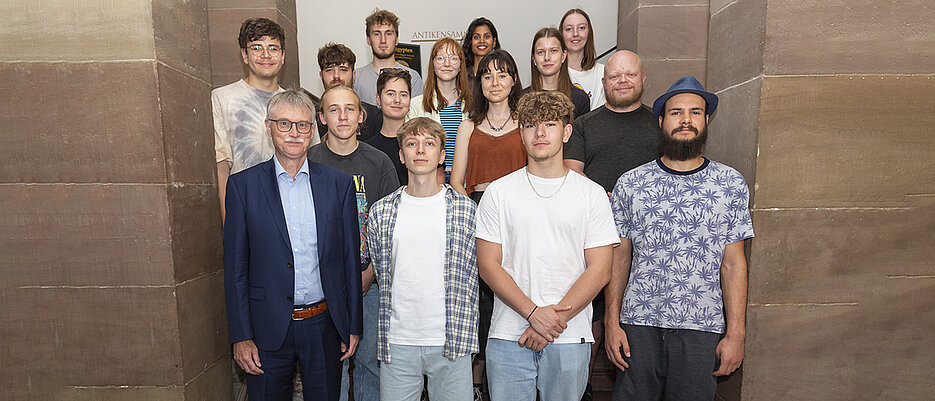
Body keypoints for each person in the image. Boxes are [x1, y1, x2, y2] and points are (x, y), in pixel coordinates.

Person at [606, 76, 754, 401]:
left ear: (705, 120)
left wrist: (737, 332)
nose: (686, 120)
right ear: (661, 121)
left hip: (702, 326)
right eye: (676, 113)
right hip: (638, 323)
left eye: (695, 112)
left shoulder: (729, 184)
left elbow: (733, 263)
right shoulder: (632, 184)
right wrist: (611, 322)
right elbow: (619, 256)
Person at [475, 91, 619, 401]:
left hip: (569, 337)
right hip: (508, 336)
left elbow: (601, 269)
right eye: (531, 125)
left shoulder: (591, 194)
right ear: (521, 133)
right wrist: (532, 313)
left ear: (566, 132)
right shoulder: (499, 193)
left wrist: (550, 322)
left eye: (550, 124)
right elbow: (488, 264)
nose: (540, 133)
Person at [223, 89, 361, 401]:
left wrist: (352, 325)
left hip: (324, 325)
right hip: (265, 328)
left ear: (313, 130)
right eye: (284, 124)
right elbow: (235, 269)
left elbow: (349, 262)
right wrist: (241, 336)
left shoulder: (338, 185)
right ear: (269, 126)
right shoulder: (243, 187)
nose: (294, 133)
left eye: (302, 125)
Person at [562, 49, 658, 401]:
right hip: (592, 238)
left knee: (634, 326)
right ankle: (580, 389)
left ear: (642, 79)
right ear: (604, 82)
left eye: (629, 75)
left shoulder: (658, 125)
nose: (622, 81)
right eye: (615, 76)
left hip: (648, 245)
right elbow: (573, 172)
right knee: (592, 321)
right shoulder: (586, 124)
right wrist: (613, 197)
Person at [367, 117, 479, 401]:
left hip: (452, 339)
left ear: (442, 155)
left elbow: (474, 271)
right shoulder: (381, 212)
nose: (420, 150)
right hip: (398, 341)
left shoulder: (466, 211)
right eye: (411, 144)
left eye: (429, 144)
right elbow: (382, 270)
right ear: (401, 156)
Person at [310, 85, 400, 401]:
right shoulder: (309, 162)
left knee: (371, 366)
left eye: (350, 108)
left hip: (370, 283)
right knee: (331, 366)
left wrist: (372, 270)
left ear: (361, 115)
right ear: (322, 117)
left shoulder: (379, 163)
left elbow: (392, 226)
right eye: (334, 109)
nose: (343, 116)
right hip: (322, 285)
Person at [214, 18, 319, 220]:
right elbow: (222, 168)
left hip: (294, 208)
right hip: (247, 206)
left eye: (273, 48)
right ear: (244, 54)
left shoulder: (297, 103)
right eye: (256, 48)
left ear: (282, 56)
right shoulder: (223, 98)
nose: (265, 55)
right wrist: (231, 223)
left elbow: (314, 160)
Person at [408, 37, 472, 183]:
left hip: (466, 180)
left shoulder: (473, 105)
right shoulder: (416, 106)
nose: (447, 64)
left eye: (453, 58)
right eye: (441, 58)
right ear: (433, 64)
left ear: (461, 64)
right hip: (430, 180)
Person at [354, 9, 424, 107]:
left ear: (397, 40)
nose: (383, 40)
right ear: (368, 40)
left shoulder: (413, 78)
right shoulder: (356, 78)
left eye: (388, 33)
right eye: (377, 34)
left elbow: (416, 119)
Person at [317, 42, 383, 142]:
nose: (336, 76)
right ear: (321, 75)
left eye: (343, 70)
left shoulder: (374, 116)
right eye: (330, 70)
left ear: (353, 75)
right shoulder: (311, 116)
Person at [524, 27, 590, 121]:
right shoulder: (522, 98)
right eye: (540, 52)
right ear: (534, 59)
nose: (547, 58)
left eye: (553, 51)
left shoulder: (580, 99)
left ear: (563, 56)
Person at [367, 68, 412, 186]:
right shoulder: (367, 149)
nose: (397, 100)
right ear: (378, 98)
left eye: (403, 95)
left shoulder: (422, 143)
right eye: (390, 94)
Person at [561, 9, 606, 110]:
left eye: (581, 28)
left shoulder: (603, 72)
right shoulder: (554, 73)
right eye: (569, 29)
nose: (575, 33)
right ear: (561, 34)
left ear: (589, 32)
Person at [461, 17, 501, 84]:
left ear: (494, 42)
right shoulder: (461, 76)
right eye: (477, 37)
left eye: (486, 37)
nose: (482, 41)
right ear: (470, 42)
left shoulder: (504, 74)